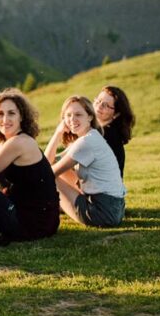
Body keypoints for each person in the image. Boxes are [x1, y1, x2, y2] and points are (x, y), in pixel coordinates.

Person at [0, 88, 59, 242]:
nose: (5, 119)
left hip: (34, 222)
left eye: (11, 113)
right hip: (38, 218)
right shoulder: (6, 143)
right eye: (0, 114)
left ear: (21, 116)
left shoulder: (19, 142)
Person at [45, 95, 126, 228]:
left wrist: (57, 134)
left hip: (102, 212)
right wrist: (58, 132)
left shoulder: (86, 142)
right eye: (68, 115)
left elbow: (47, 173)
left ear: (89, 117)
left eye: (78, 114)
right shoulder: (90, 136)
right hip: (115, 209)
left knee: (49, 177)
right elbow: (47, 162)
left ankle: (38, 209)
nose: (72, 119)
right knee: (56, 170)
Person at [94, 86, 135, 178]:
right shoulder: (108, 131)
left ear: (116, 114)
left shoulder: (105, 135)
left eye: (106, 105)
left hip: (101, 191)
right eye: (98, 100)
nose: (99, 106)